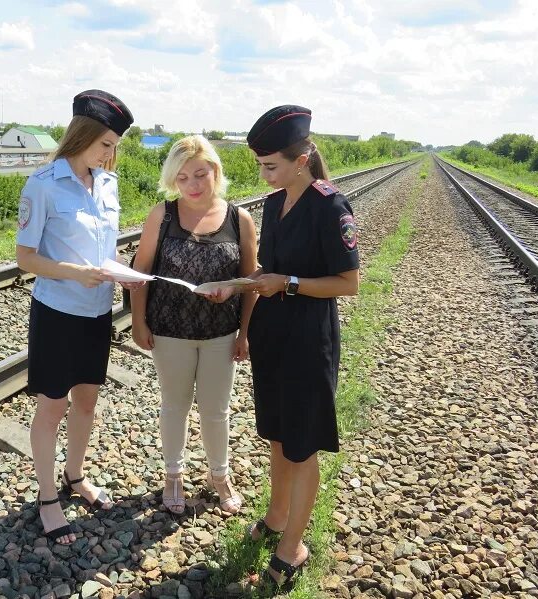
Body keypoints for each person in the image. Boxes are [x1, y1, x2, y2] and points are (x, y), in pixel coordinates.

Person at [213, 105, 359, 589]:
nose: (263, 174)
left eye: (270, 166)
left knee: (301, 445)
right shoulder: (275, 205)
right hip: (273, 336)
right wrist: (237, 286)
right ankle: (277, 518)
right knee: (277, 433)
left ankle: (293, 546)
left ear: (302, 160)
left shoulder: (331, 206)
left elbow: (347, 283)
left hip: (307, 341)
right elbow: (266, 273)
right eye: (260, 165)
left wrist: (288, 283)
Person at [15, 89, 141, 545]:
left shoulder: (107, 182)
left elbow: (104, 249)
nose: (110, 154)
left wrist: (120, 272)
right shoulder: (43, 184)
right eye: (104, 143)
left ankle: (75, 476)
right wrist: (75, 273)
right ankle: (48, 498)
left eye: (114, 146)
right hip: (57, 313)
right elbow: (25, 258)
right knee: (53, 406)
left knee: (87, 401)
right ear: (82, 135)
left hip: (96, 313)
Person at [129, 135, 258, 516]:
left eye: (200, 174)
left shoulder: (239, 219)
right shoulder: (162, 215)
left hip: (221, 334)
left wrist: (245, 331)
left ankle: (221, 476)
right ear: (173, 180)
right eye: (183, 178)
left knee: (217, 410)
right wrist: (139, 321)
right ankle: (173, 475)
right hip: (169, 331)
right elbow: (141, 271)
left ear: (215, 171)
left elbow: (251, 281)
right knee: (174, 407)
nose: (194, 185)